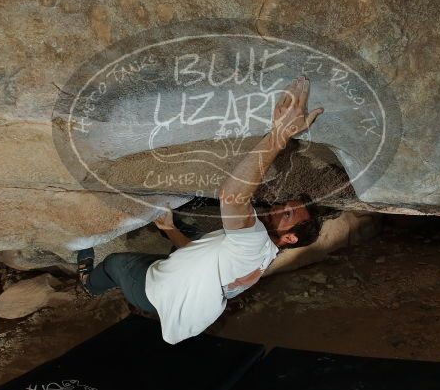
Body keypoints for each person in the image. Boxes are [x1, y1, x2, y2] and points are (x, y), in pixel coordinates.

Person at [77, 75, 324, 344]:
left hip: (151, 289)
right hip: (170, 283)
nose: (277, 207)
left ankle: (89, 283)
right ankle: (130, 295)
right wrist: (170, 229)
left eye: (287, 214)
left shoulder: (254, 243)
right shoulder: (259, 257)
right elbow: (196, 255)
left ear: (290, 237)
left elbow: (231, 196)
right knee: (176, 248)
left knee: (115, 263)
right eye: (284, 204)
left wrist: (280, 133)